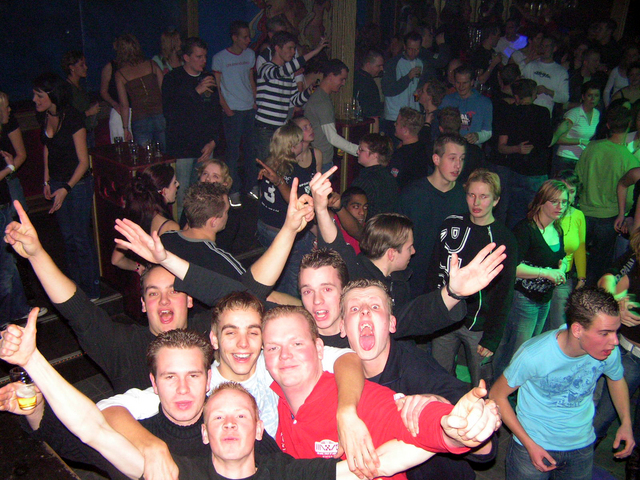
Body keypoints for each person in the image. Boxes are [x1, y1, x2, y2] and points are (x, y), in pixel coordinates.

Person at [0, 317, 433, 480]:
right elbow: (91, 428)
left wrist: (445, 425)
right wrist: (33, 364)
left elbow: (370, 466)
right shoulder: (171, 466)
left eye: (193, 376)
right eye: (170, 377)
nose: (182, 389)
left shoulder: (275, 463)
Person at [261, 304, 502, 479]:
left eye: (297, 343)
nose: (285, 355)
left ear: (319, 348)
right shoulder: (271, 400)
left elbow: (414, 420)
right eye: (273, 348)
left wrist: (455, 428)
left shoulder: (357, 399)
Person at [339, 278, 496, 480]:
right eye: (354, 309)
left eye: (375, 306)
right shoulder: (337, 369)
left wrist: (449, 410)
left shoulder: (417, 369)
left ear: (392, 323)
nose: (364, 311)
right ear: (342, 327)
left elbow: (486, 449)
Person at [311, 166, 507, 318]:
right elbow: (335, 243)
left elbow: (412, 319)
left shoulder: (400, 283)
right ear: (391, 253)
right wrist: (320, 208)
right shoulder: (356, 272)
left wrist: (454, 293)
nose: (413, 251)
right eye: (409, 247)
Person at [490, 287, 634, 480]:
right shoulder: (534, 354)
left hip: (581, 445)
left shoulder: (608, 352)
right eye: (605, 333)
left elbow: (616, 378)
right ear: (577, 330)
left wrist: (626, 422)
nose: (615, 341)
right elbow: (496, 395)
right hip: (533, 444)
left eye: (616, 332)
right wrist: (529, 444)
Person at [428, 169, 518, 387]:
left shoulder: (503, 239)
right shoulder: (451, 225)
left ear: (496, 200)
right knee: (439, 378)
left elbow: (505, 292)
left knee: (481, 385)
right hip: (445, 319)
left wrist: (492, 337)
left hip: (479, 326)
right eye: (471, 195)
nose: (476, 202)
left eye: (484, 196)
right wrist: (431, 312)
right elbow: (435, 271)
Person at [33, 72, 101, 300]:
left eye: (39, 95)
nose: (34, 100)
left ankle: (92, 290)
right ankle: (74, 288)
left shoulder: (72, 117)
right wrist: (47, 180)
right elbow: (47, 148)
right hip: (58, 182)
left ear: (52, 95)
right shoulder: (44, 116)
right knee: (67, 237)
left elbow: (83, 162)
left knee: (81, 238)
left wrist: (66, 188)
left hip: (77, 184)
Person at [493, 180, 570, 379]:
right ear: (541, 201)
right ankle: (498, 388)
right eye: (554, 201)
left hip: (544, 298)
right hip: (523, 298)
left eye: (564, 202)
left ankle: (514, 387)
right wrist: (546, 273)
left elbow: (559, 258)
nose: (560, 207)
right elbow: (512, 268)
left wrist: (562, 268)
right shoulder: (525, 229)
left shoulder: (557, 228)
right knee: (516, 351)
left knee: (530, 349)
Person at [397, 133, 468, 297]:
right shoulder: (413, 194)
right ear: (436, 159)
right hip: (414, 280)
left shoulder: (463, 197)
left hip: (446, 282)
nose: (458, 165)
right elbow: (396, 237)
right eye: (452, 158)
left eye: (462, 159)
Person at [576, 103, 639, 285]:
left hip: (584, 213)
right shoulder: (629, 160)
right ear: (629, 126)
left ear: (608, 125)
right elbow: (630, 198)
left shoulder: (591, 148)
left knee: (576, 261)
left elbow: (578, 178)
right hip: (610, 218)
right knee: (598, 265)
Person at [594, 229, 640, 479]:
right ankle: (576, 458)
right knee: (603, 416)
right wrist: (616, 302)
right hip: (630, 354)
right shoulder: (636, 255)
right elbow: (608, 278)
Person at [162, 36, 221, 217]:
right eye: (198, 57)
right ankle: (178, 230)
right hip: (182, 149)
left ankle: (199, 229)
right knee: (181, 197)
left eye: (205, 57)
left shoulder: (208, 77)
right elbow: (171, 113)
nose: (203, 61)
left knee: (204, 195)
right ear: (186, 57)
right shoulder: (173, 78)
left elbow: (215, 113)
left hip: (205, 147)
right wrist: (196, 92)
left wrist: (213, 141)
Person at [256, 121, 316, 297]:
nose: (303, 144)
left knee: (274, 272)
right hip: (281, 230)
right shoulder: (291, 168)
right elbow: (294, 201)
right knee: (293, 278)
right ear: (291, 147)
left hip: (265, 225)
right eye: (299, 141)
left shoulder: (270, 162)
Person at [254, 31, 328, 166]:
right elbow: (283, 70)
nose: (293, 52)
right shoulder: (266, 68)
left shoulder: (288, 74)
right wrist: (315, 51)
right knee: (266, 166)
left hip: (281, 128)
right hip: (265, 128)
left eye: (294, 49)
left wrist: (309, 91)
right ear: (277, 48)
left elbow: (295, 100)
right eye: (289, 48)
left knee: (280, 165)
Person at [495, 78, 553, 228]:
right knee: (538, 215)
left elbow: (501, 147)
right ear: (533, 94)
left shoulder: (509, 113)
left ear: (516, 96)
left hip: (516, 171)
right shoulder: (543, 113)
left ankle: (514, 241)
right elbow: (548, 141)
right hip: (536, 172)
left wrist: (517, 149)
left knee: (515, 215)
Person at [213, 20, 258, 205]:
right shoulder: (220, 58)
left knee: (250, 150)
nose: (248, 40)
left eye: (249, 36)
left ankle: (252, 186)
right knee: (232, 153)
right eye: (244, 37)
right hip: (232, 109)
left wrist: (255, 100)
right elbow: (217, 86)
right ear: (234, 38)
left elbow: (250, 79)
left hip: (249, 108)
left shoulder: (250, 55)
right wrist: (225, 107)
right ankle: (234, 189)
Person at [111, 164, 179, 274]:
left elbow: (116, 260)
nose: (178, 185)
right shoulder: (170, 226)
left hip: (147, 280)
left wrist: (138, 267)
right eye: (174, 183)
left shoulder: (137, 215)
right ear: (164, 191)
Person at [546, 172, 587, 330]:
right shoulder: (546, 212)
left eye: (571, 191)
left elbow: (580, 248)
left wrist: (581, 278)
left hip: (564, 279)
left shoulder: (578, 216)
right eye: (563, 189)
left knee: (560, 326)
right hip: (541, 275)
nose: (567, 196)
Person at [304, 59, 359, 173]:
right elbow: (332, 138)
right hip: (321, 161)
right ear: (330, 76)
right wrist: (359, 150)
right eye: (341, 79)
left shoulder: (321, 96)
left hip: (319, 158)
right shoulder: (322, 101)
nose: (343, 83)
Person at [114, 34, 166, 150]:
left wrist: (125, 128)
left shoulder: (120, 74)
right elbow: (165, 90)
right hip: (160, 114)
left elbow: (124, 105)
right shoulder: (151, 64)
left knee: (146, 156)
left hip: (140, 118)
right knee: (164, 154)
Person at [550, 81, 602, 177]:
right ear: (583, 97)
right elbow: (559, 139)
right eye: (589, 95)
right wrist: (580, 141)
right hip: (565, 158)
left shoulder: (597, 114)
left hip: (581, 158)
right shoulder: (574, 114)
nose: (593, 99)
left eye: (596, 96)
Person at [381, 31, 424, 140]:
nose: (413, 52)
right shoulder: (393, 63)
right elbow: (387, 90)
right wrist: (408, 77)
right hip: (395, 116)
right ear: (404, 47)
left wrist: (418, 95)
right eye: (410, 49)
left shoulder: (420, 63)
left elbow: (414, 92)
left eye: (416, 49)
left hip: (412, 115)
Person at [439, 65, 493, 145]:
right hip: (450, 146)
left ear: (472, 82)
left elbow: (488, 132)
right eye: (458, 82)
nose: (461, 86)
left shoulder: (484, 103)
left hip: (472, 149)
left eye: (465, 83)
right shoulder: (447, 100)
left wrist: (477, 136)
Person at [350, 133, 397, 218]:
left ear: (375, 155)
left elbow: (353, 209)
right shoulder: (389, 176)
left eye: (361, 150)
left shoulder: (365, 180)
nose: (357, 152)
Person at [521, 36, 569, 116]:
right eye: (542, 46)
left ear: (554, 48)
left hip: (545, 113)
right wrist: (528, 59)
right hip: (526, 110)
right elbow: (515, 73)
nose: (544, 49)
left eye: (547, 46)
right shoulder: (531, 65)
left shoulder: (561, 71)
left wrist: (547, 91)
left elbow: (565, 98)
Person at [62, 51, 100, 147]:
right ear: (72, 67)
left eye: (85, 64)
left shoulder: (80, 87)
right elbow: (68, 117)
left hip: (88, 132)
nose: (86, 67)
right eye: (81, 65)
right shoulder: (66, 89)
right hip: (77, 135)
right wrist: (88, 112)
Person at [388, 107, 430, 189]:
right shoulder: (424, 147)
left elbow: (392, 182)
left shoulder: (400, 156)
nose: (394, 124)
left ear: (405, 131)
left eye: (397, 123)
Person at [353, 48, 385, 126]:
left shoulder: (355, 76)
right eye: (379, 66)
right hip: (365, 125)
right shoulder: (369, 83)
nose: (381, 69)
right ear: (368, 65)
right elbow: (373, 114)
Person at [415, 77, 447, 142]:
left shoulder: (437, 119)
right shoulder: (422, 115)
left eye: (422, 91)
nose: (419, 92)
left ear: (429, 97)